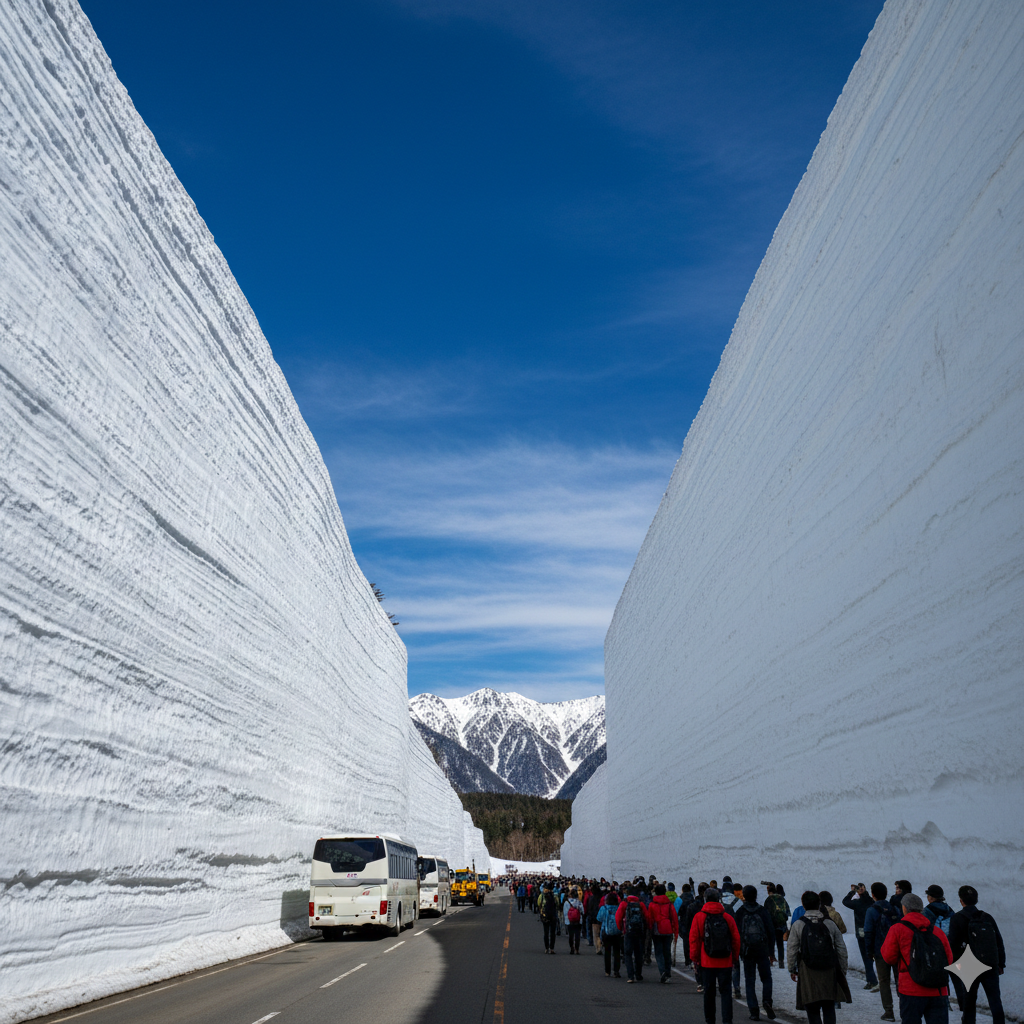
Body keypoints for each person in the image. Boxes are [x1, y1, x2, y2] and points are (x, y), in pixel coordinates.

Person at [881, 892, 952, 1024]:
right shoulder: (937, 931)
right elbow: (949, 959)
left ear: (904, 908)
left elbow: (889, 957)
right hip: (937, 989)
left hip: (910, 989)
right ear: (921, 909)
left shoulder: (897, 929)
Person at [787, 890, 851, 1024]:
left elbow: (792, 949)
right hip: (828, 969)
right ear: (819, 904)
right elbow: (841, 949)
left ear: (803, 905)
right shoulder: (829, 923)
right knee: (828, 1007)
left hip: (807, 970)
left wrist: (792, 969)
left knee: (812, 1008)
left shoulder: (798, 924)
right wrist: (842, 970)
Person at [947, 885, 1005, 1024]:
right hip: (990, 963)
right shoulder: (987, 917)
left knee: (969, 1002)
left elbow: (953, 944)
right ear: (976, 900)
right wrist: (1000, 963)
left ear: (961, 900)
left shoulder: (957, 918)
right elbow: (998, 941)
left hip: (968, 965)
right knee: (995, 1000)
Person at [690, 887, 741, 1024]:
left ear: (705, 899)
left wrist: (695, 959)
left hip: (706, 961)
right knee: (726, 992)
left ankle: (710, 1020)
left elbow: (694, 940)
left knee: (709, 993)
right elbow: (736, 939)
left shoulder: (699, 917)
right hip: (725, 961)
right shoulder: (727, 917)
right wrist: (734, 957)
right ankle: (727, 1020)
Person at [735, 885, 777, 1021]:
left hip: (747, 951)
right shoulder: (762, 911)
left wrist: (738, 951)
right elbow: (770, 931)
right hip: (762, 950)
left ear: (744, 896)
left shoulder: (740, 912)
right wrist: (771, 952)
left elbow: (736, 934)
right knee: (766, 978)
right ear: (756, 895)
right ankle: (767, 1001)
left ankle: (754, 1011)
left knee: (750, 980)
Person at [866, 882, 901, 1020]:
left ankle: (889, 1011)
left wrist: (869, 952)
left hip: (880, 950)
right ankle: (905, 1009)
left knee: (884, 981)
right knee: (900, 980)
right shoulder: (895, 908)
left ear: (873, 894)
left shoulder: (871, 910)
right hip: (896, 950)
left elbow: (868, 932)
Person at [844, 883, 879, 988]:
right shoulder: (871, 901)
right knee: (874, 956)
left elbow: (845, 901)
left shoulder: (857, 903)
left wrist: (852, 891)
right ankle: (876, 979)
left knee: (866, 957)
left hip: (861, 932)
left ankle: (872, 980)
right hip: (872, 932)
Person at [616, 886, 650, 982]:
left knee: (628, 954)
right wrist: (647, 928)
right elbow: (647, 917)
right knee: (639, 953)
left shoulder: (624, 903)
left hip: (628, 931)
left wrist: (621, 929)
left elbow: (618, 917)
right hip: (639, 932)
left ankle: (630, 976)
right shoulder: (641, 904)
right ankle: (638, 974)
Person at [648, 884, 679, 982]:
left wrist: (649, 929)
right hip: (668, 929)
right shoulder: (669, 904)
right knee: (667, 952)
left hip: (657, 929)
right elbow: (674, 919)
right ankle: (668, 972)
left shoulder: (652, 904)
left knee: (659, 952)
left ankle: (662, 972)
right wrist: (676, 932)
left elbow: (650, 919)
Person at [686, 882, 709, 990]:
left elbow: (687, 922)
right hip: (708, 935)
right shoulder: (710, 905)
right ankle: (707, 980)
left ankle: (700, 982)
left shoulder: (692, 905)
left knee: (697, 959)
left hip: (696, 934)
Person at [598, 891, 623, 977]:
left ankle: (607, 971)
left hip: (606, 932)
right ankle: (616, 971)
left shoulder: (604, 908)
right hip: (617, 932)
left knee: (607, 952)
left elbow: (599, 918)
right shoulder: (619, 908)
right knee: (617, 952)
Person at [765, 884, 791, 965]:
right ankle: (781, 961)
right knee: (780, 943)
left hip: (772, 924)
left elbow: (765, 912)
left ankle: (771, 959)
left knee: (771, 942)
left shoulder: (769, 899)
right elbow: (788, 912)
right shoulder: (782, 899)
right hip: (781, 924)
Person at [676, 883, 696, 966]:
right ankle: (693, 959)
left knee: (686, 942)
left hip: (683, 923)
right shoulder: (693, 899)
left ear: (682, 890)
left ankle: (687, 960)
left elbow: (677, 912)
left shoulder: (679, 899)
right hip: (693, 922)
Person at [539, 884, 559, 954]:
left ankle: (546, 948)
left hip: (545, 915)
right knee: (553, 933)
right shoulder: (555, 896)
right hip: (553, 915)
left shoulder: (542, 896)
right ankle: (552, 948)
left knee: (546, 932)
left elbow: (539, 904)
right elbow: (558, 904)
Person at [564, 887, 585, 954]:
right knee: (577, 935)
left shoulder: (567, 902)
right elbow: (583, 911)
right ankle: (577, 949)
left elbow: (565, 912)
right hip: (578, 921)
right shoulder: (579, 902)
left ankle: (571, 948)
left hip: (569, 921)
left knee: (571, 935)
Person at [585, 884, 602, 951]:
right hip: (601, 916)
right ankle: (600, 944)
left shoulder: (591, 898)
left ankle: (597, 947)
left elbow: (589, 907)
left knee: (595, 933)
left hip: (593, 917)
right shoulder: (602, 898)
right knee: (600, 931)